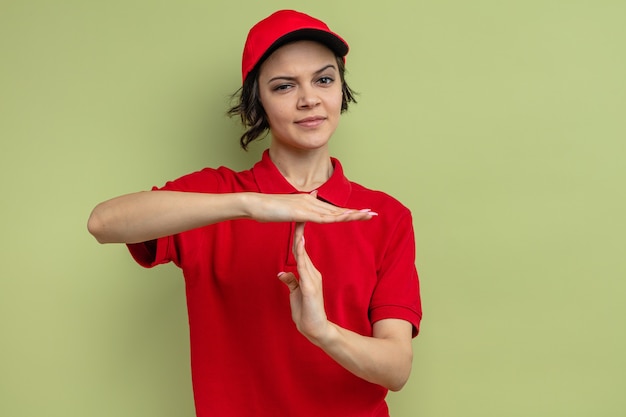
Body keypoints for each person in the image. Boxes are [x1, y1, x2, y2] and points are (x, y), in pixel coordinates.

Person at [88, 9, 422, 417]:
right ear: (258, 101)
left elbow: (397, 368)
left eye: (324, 79)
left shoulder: (385, 216)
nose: (309, 99)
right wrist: (250, 203)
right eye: (284, 86)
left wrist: (323, 332)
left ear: (340, 88)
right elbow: (103, 223)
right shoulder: (214, 197)